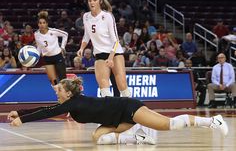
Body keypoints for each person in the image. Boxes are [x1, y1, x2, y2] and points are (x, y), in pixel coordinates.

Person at [8, 77, 229, 145]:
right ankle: (137, 135)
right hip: (115, 119)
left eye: (59, 90)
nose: (57, 93)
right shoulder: (70, 103)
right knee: (98, 138)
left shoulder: (71, 103)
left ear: (68, 93)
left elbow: (46, 112)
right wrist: (20, 113)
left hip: (127, 108)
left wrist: (23, 120)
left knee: (167, 124)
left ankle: (213, 122)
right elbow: (46, 108)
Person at [77, 0, 130, 97]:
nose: (91, 2)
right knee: (103, 86)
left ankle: (130, 110)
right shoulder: (86, 16)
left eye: (94, 0)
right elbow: (86, 35)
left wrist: (110, 58)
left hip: (114, 52)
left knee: (122, 85)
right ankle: (110, 111)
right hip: (100, 53)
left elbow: (116, 40)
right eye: (89, 0)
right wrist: (82, 48)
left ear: (100, 1)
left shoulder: (108, 16)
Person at [35, 11, 68, 85]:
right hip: (47, 59)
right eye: (40, 23)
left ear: (47, 24)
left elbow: (65, 34)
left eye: (44, 23)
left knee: (63, 80)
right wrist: (35, 57)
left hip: (57, 57)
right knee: (53, 81)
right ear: (38, 24)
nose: (42, 25)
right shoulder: (36, 34)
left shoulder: (53, 31)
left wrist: (63, 47)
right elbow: (39, 47)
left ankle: (66, 96)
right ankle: (58, 95)